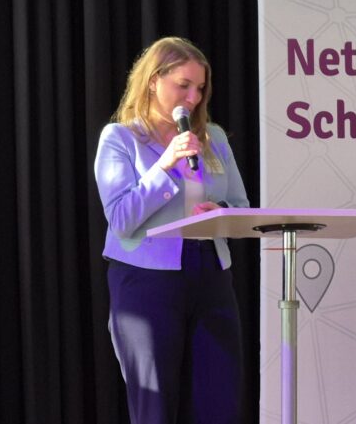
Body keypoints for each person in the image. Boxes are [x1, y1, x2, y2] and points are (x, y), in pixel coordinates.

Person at [93, 36, 250, 424]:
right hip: (147, 280)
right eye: (184, 85)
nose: (193, 98)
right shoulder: (121, 139)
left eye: (200, 88)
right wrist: (164, 165)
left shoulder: (213, 138)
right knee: (156, 405)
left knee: (219, 402)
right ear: (153, 81)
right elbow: (121, 219)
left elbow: (242, 206)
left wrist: (221, 212)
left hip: (212, 275)